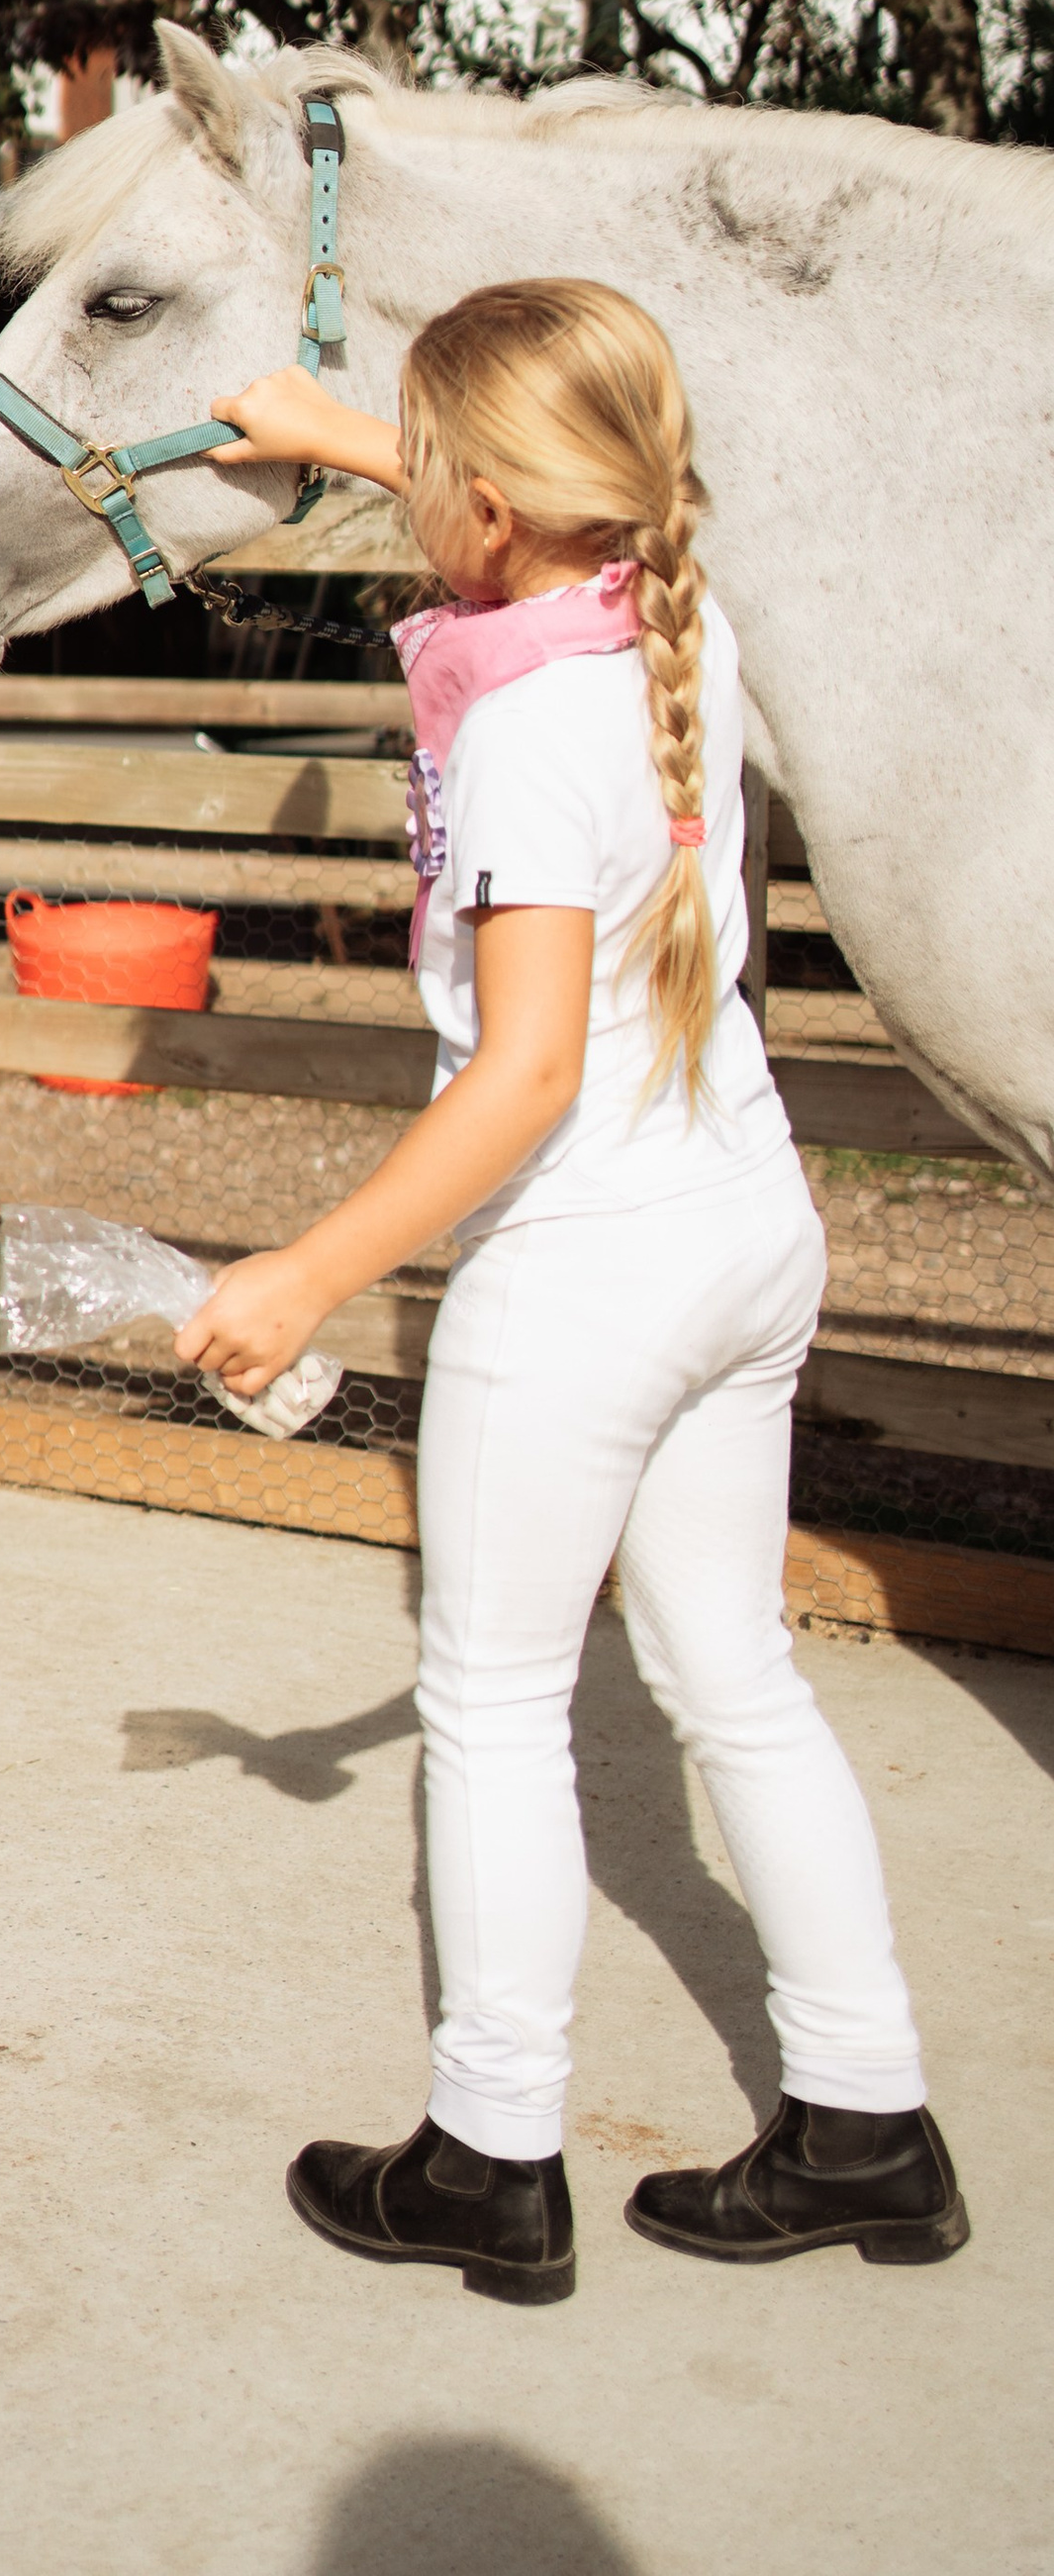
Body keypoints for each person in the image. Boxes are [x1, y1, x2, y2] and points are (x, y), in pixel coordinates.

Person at [188, 281, 965, 2305]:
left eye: (423, 473)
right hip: (742, 1228)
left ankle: (487, 2149)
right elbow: (533, 518)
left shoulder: (524, 724)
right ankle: (866, 2117)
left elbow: (521, 1075)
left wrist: (303, 1272)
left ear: (490, 504)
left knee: (492, 1704)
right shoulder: (665, 626)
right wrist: (353, 439)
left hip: (585, 1270)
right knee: (736, 1677)